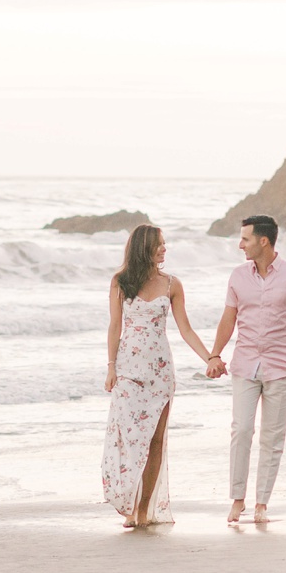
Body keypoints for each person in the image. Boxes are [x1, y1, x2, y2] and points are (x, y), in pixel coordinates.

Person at [101, 224, 214, 529]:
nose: (165, 249)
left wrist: (210, 358)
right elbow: (115, 327)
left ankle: (142, 508)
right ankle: (126, 500)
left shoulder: (171, 284)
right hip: (127, 370)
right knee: (128, 437)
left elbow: (186, 329)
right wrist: (111, 367)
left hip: (160, 371)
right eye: (159, 245)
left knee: (155, 440)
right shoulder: (121, 281)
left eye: (165, 244)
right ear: (144, 248)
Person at [206, 214, 286, 525]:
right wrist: (215, 354)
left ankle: (262, 504)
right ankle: (237, 499)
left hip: (281, 367)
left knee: (272, 437)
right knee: (241, 430)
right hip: (244, 364)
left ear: (263, 241)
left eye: (246, 239)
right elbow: (228, 319)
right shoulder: (238, 276)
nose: (240, 245)